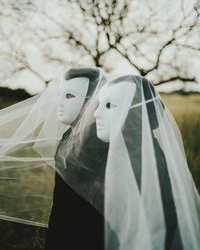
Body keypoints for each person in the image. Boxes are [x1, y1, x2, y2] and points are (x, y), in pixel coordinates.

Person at [94, 75, 200, 250]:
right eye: (99, 104)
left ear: (135, 113)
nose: (97, 113)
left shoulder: (144, 164)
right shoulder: (125, 153)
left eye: (109, 105)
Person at [44, 67, 109, 250]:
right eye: (60, 95)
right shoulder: (66, 136)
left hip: (87, 237)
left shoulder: (102, 143)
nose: (60, 103)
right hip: (60, 228)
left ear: (93, 101)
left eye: (70, 96)